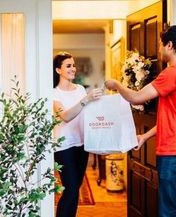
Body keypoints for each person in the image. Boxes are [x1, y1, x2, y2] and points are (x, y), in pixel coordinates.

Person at [105, 25, 176, 217]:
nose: (160, 50)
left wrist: (116, 85)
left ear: (170, 45)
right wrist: (145, 136)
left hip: (175, 151)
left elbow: (137, 97)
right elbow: (172, 118)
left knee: (169, 211)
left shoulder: (173, 73)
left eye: (161, 45)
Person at [53, 51, 103, 217]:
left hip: (82, 144)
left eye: (73, 65)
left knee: (75, 189)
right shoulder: (53, 93)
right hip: (63, 146)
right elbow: (66, 116)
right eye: (68, 66)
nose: (73, 69)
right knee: (71, 188)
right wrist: (86, 99)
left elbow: (87, 113)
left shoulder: (80, 89)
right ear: (58, 70)